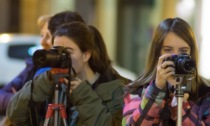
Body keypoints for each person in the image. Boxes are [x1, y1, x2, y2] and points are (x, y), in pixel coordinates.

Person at [7, 22, 130, 125]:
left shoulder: (115, 89)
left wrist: (83, 94)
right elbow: (15, 115)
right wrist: (44, 82)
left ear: (86, 55)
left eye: (67, 52)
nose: (60, 58)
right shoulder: (48, 84)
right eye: (56, 51)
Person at [122, 17, 210, 126]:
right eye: (168, 50)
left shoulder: (205, 93)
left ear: (191, 54)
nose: (176, 57)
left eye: (183, 51)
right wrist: (156, 90)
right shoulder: (136, 90)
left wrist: (180, 103)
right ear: (157, 53)